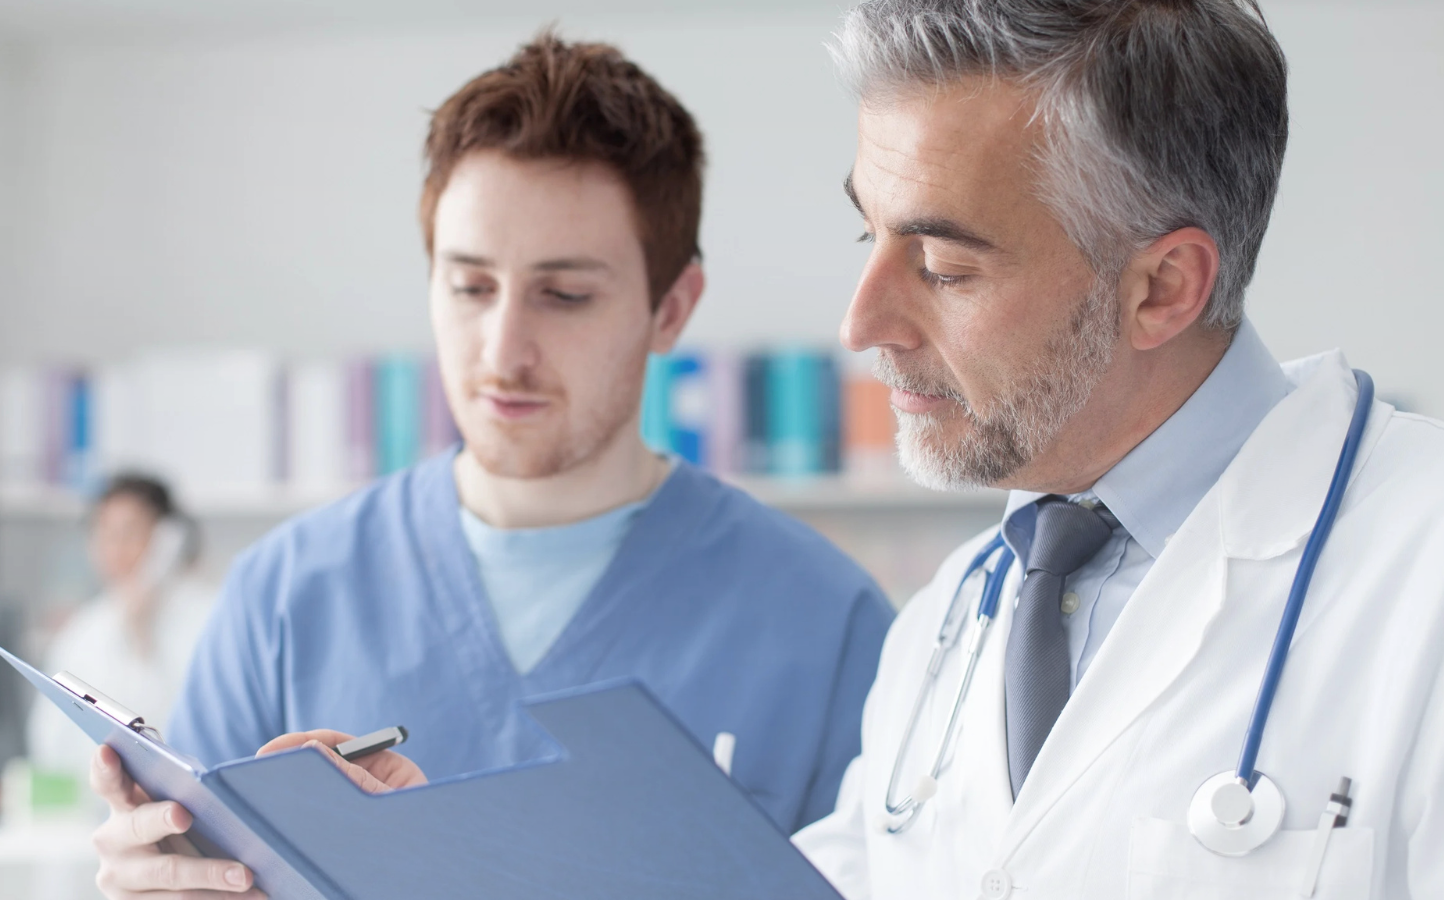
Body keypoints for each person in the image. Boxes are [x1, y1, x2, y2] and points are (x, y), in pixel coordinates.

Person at [87, 32, 894, 898]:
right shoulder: (283, 600)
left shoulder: (826, 624)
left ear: (672, 309)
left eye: (566, 295)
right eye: (470, 287)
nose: (504, 350)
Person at [784, 1, 1444, 898]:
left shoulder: (1421, 571)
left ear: (1162, 289)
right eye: (871, 235)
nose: (861, 324)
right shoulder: (945, 618)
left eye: (943, 268)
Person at [28, 473, 213, 775]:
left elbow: (183, 738)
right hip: (92, 809)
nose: (114, 549)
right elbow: (48, 742)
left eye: (129, 533)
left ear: (169, 539)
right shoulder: (83, 628)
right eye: (104, 533)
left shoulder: (208, 617)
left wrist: (141, 638)